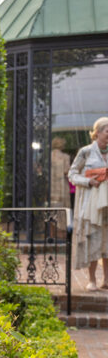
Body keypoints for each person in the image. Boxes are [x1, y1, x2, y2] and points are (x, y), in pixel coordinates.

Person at [69, 117, 108, 290]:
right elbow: (72, 174)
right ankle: (92, 280)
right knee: (94, 240)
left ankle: (106, 280)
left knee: (107, 243)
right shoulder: (85, 152)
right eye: (107, 131)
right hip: (92, 205)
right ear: (97, 132)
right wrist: (88, 181)